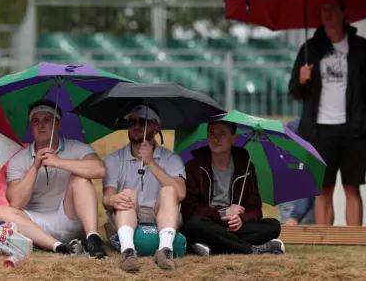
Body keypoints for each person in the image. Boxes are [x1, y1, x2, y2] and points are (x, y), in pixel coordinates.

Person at [0, 99, 108, 258]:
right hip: (35, 225)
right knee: (1, 211)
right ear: (31, 126)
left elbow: (99, 169)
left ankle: (93, 239)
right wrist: (34, 167)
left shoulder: (76, 146)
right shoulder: (19, 160)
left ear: (58, 124)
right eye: (35, 121)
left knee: (80, 178)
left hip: (70, 218)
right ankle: (59, 247)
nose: (41, 125)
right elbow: (16, 203)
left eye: (47, 120)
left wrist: (58, 162)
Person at [289, 0, 366, 226]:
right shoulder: (309, 49)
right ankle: (325, 244)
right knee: (323, 189)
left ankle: (354, 244)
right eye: (323, 10)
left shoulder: (361, 48)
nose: (328, 15)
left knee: (352, 188)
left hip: (354, 130)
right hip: (319, 130)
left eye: (332, 9)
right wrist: (302, 80)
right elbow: (294, 91)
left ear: (344, 14)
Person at [180, 120, 284, 256]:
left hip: (232, 227)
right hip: (207, 223)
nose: (216, 139)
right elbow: (189, 208)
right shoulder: (195, 166)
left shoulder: (245, 166)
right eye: (211, 134)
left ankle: (212, 246)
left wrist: (241, 218)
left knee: (273, 225)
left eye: (222, 134)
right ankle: (250, 249)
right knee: (195, 225)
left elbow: (255, 209)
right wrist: (223, 213)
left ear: (233, 138)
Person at [102, 105, 186, 272]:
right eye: (132, 122)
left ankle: (164, 250)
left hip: (161, 217)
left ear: (156, 127)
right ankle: (128, 251)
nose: (137, 126)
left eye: (143, 121)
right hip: (125, 217)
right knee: (127, 193)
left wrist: (151, 163)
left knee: (169, 191)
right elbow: (107, 199)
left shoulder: (171, 158)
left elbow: (181, 193)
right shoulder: (113, 158)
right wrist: (113, 199)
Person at [278, 117, 315, 226]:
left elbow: (306, 193)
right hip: (291, 222)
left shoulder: (302, 164)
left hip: (298, 224)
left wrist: (294, 217)